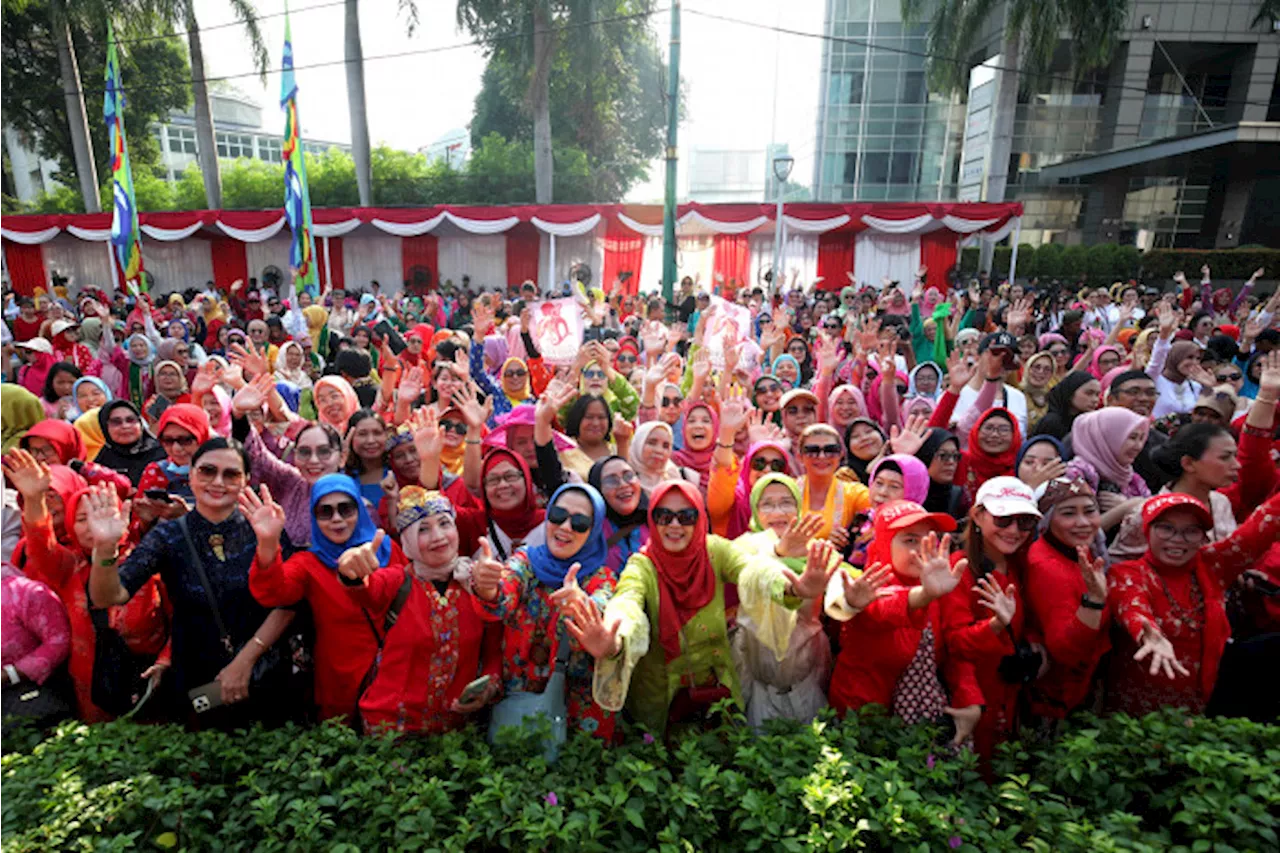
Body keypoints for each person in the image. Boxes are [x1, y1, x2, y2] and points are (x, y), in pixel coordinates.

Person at [564, 480, 832, 736]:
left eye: (686, 516)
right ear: (652, 519)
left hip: (716, 691)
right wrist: (614, 640)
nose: (675, 525)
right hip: (661, 699)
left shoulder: (714, 551)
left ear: (700, 518)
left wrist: (792, 588)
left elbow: (752, 570)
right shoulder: (642, 565)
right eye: (663, 516)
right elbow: (627, 602)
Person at [86, 438, 296, 729]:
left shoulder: (264, 526)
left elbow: (288, 602)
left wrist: (244, 662)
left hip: (264, 672)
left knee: (269, 760)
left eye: (231, 474)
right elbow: (111, 594)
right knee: (205, 758)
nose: (218, 482)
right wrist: (106, 549)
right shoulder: (168, 536)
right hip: (199, 678)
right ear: (191, 475)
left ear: (246, 479)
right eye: (207, 471)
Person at [5, 449, 169, 722]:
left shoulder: (149, 561)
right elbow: (40, 543)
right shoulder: (68, 567)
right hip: (92, 688)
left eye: (102, 515)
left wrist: (166, 660)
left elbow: (182, 618)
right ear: (70, 525)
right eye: (82, 519)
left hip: (153, 679)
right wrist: (34, 498)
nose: (93, 526)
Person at [1106, 490, 1280, 716]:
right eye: (1166, 528)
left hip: (1204, 709)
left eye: (1191, 531)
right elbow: (1132, 605)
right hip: (1139, 721)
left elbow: (1261, 528)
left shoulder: (1212, 565)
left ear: (1203, 536)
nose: (1178, 539)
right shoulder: (1128, 573)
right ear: (1147, 530)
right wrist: (1148, 634)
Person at [824, 500, 982, 747]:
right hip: (865, 725)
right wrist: (926, 595)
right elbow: (887, 606)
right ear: (885, 544)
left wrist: (970, 702)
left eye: (930, 539)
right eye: (910, 540)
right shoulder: (866, 587)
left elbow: (955, 648)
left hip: (919, 723)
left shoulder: (939, 583)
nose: (922, 549)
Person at [471, 483, 619, 742]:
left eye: (580, 522)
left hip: (578, 724)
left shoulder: (602, 579)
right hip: (520, 715)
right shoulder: (526, 561)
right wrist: (487, 588)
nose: (565, 528)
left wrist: (583, 608)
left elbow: (602, 618)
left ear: (594, 531)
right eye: (558, 516)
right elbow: (503, 592)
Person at [244, 475, 399, 723]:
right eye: (325, 512)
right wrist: (268, 542)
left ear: (359, 510)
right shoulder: (308, 564)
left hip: (394, 669)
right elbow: (272, 592)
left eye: (345, 509)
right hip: (340, 678)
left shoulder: (386, 549)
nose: (336, 518)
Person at [939, 477, 1040, 759]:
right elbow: (954, 644)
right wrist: (994, 625)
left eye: (1024, 522)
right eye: (1004, 519)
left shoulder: (1017, 563)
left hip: (1009, 695)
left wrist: (1033, 646)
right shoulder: (959, 568)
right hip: (976, 696)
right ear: (978, 515)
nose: (1014, 530)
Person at [1023, 477, 1110, 722]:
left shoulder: (1079, 551)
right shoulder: (1047, 566)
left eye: (1090, 511)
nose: (1082, 523)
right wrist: (1094, 601)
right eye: (1069, 513)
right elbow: (1066, 651)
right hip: (1055, 702)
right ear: (1047, 521)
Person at [587, 456, 649, 573]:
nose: (623, 484)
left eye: (628, 476)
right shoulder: (589, 531)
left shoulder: (657, 522)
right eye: (611, 480)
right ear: (598, 489)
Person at [94, 400, 167, 486]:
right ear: (105, 428)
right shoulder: (102, 461)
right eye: (116, 422)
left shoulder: (162, 453)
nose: (125, 426)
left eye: (130, 420)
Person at [1029, 371, 1099, 440]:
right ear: (1071, 392)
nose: (1095, 400)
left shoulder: (1087, 423)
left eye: (1097, 394)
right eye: (1089, 393)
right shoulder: (1052, 423)